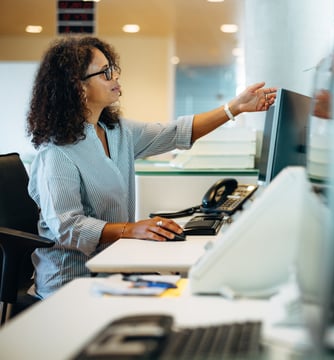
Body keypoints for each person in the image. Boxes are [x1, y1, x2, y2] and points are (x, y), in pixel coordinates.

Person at [26, 35, 277, 299]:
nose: (115, 77)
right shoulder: (55, 153)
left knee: (188, 289)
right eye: (105, 72)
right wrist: (131, 229)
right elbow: (68, 227)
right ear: (78, 87)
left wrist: (235, 108)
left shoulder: (116, 131)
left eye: (113, 69)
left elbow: (177, 132)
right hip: (71, 281)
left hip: (116, 266)